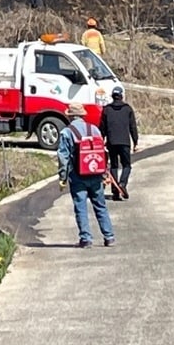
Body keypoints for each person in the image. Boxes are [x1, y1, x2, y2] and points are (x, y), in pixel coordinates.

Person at [56, 102, 115, 247]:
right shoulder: (94, 129)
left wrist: (62, 178)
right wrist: (105, 172)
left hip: (77, 176)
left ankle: (86, 239)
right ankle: (109, 236)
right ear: (82, 115)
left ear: (70, 116)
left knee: (80, 206)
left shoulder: (67, 132)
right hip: (95, 174)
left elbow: (63, 157)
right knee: (100, 205)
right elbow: (102, 152)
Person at [100, 87, 138, 199]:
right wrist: (135, 141)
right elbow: (133, 127)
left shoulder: (106, 109)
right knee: (127, 165)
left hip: (111, 142)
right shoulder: (128, 109)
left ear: (113, 96)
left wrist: (102, 139)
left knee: (114, 166)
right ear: (122, 96)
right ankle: (122, 183)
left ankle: (115, 191)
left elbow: (102, 127)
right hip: (125, 142)